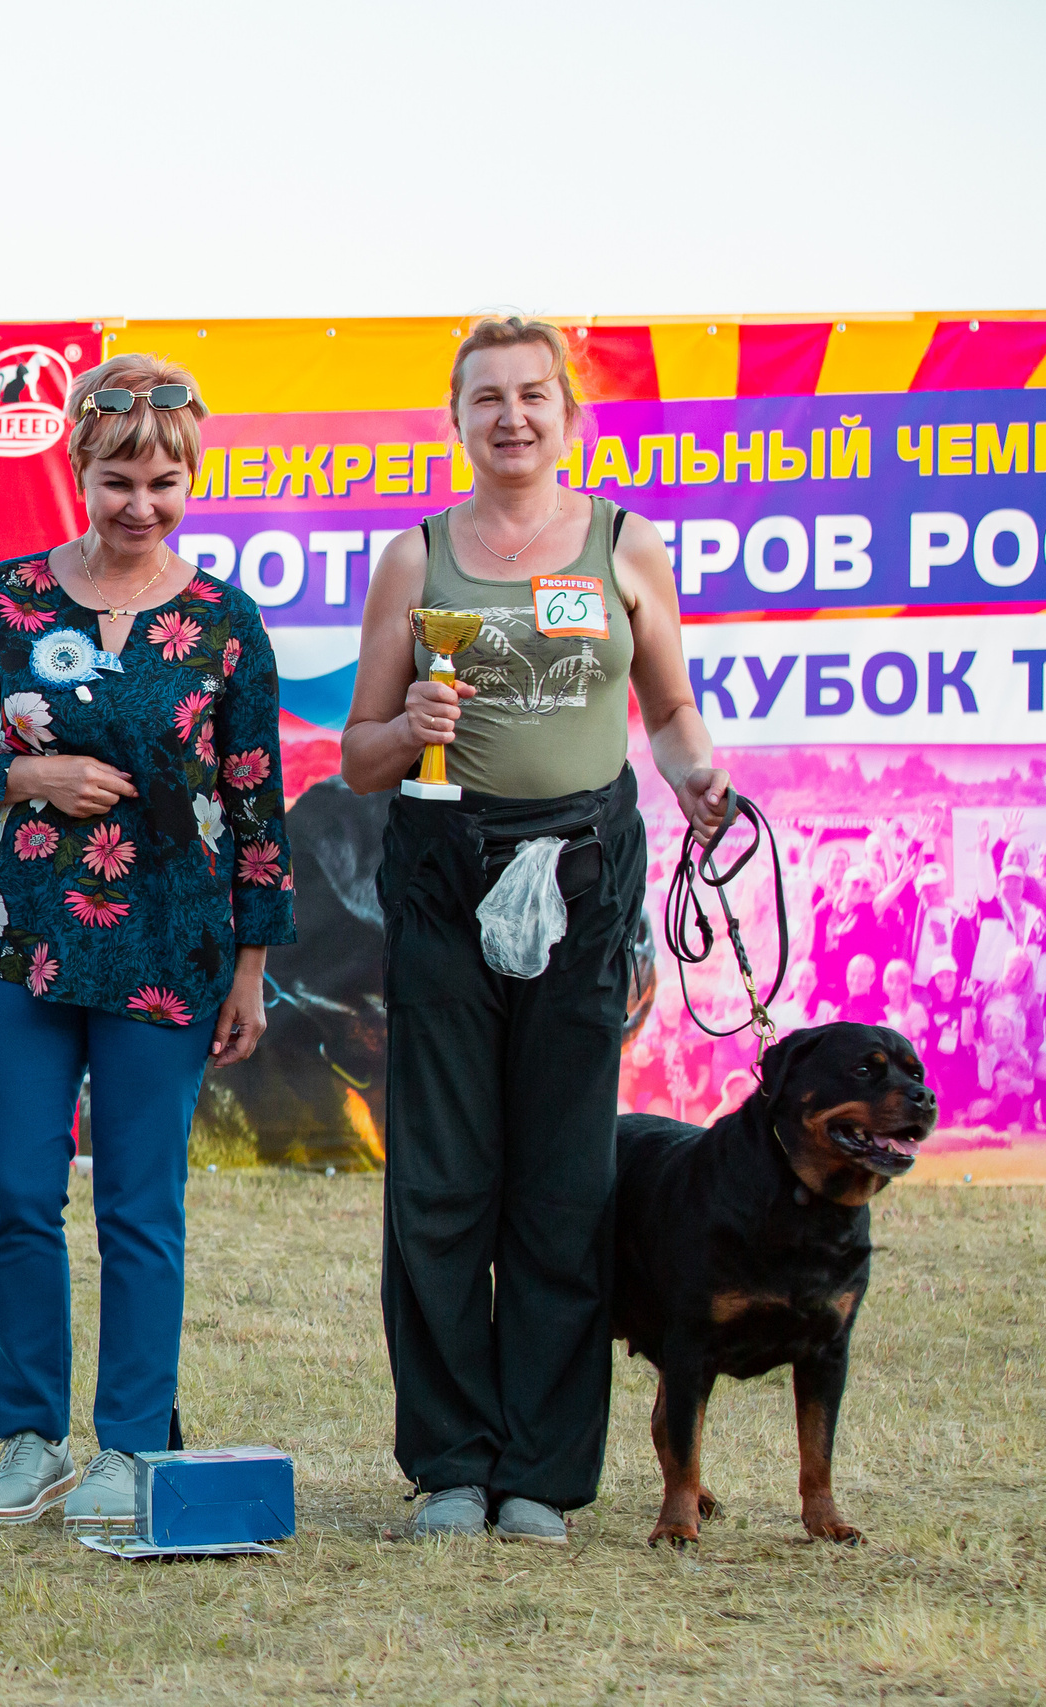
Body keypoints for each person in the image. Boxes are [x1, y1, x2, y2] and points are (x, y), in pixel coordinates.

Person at [341, 316, 730, 1545]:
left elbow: (668, 709)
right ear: (456, 419)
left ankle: (539, 1478)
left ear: (567, 413)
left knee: (565, 1181)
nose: (510, 417)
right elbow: (357, 758)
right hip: (443, 875)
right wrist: (408, 727)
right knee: (443, 1179)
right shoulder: (413, 558)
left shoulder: (625, 544)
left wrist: (698, 776)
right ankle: (452, 1464)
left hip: (586, 870)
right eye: (486, 399)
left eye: (531, 396)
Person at [0, 353, 294, 1533]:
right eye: (118, 479)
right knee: (19, 1195)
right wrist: (32, 777)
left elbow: (256, 801)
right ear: (76, 468)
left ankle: (131, 1446)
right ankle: (28, 1437)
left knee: (142, 1206)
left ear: (192, 478)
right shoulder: (8, 598)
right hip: (19, 943)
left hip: (170, 952)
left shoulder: (224, 622)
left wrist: (251, 968)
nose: (141, 503)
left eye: (164, 481)